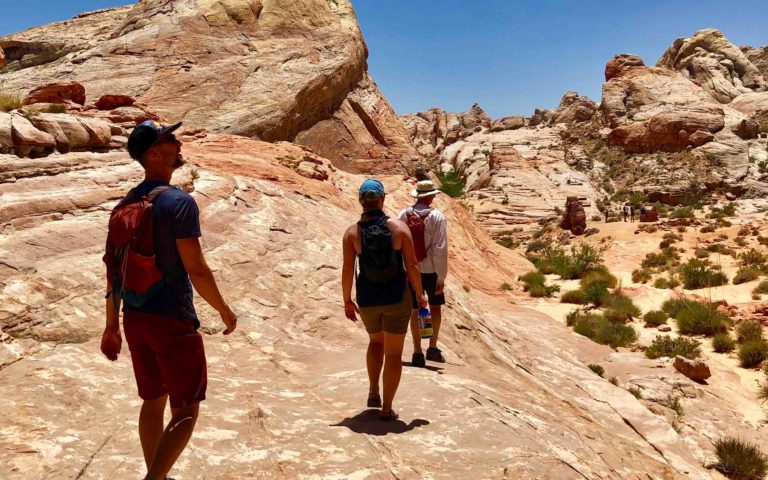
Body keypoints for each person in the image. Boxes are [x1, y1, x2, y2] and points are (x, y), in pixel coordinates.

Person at [100, 120, 237, 480]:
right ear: (154, 153)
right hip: (173, 320)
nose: (178, 143)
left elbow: (113, 271)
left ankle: (155, 473)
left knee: (153, 400)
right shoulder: (179, 203)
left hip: (136, 318)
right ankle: (154, 478)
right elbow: (198, 270)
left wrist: (111, 326)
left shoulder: (125, 204)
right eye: (170, 139)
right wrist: (224, 310)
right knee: (187, 409)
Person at [342, 179, 427, 421]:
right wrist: (419, 295)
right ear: (382, 200)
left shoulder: (352, 234)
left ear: (361, 201)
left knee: (375, 343)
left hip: (368, 299)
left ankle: (372, 391)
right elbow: (411, 265)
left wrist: (347, 300)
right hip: (396, 298)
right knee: (393, 353)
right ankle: (387, 408)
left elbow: (348, 269)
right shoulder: (399, 229)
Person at [398, 180, 448, 368]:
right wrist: (441, 276)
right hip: (431, 271)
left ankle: (417, 351)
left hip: (410, 270)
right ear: (430, 196)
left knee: (414, 310)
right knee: (435, 308)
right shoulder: (437, 217)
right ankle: (432, 347)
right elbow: (440, 248)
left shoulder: (404, 214)